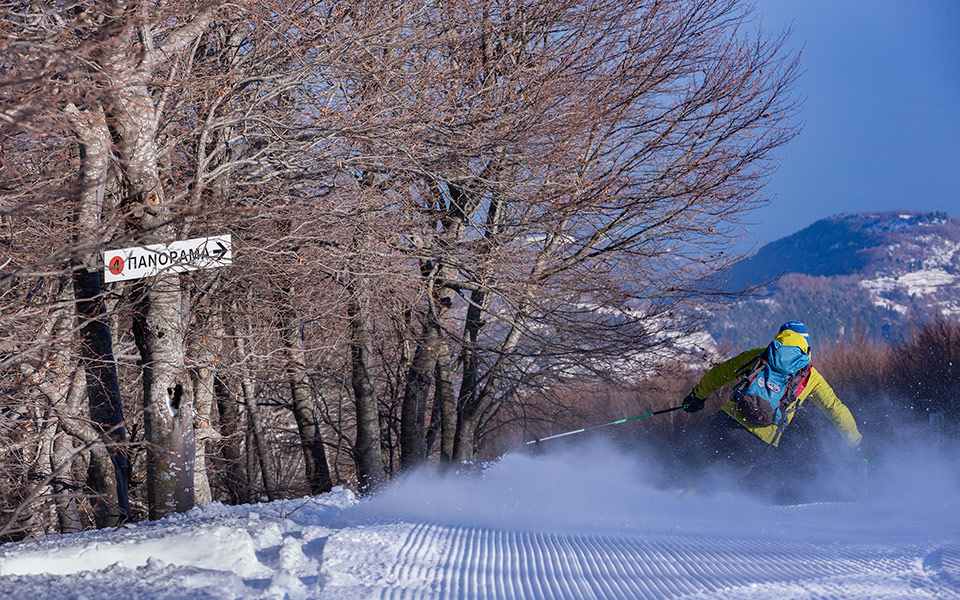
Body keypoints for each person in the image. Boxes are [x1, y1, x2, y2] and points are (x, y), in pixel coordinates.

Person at [680, 320, 862, 489]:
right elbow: (835, 408)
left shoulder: (761, 354)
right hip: (759, 439)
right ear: (806, 345)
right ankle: (693, 500)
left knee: (692, 465)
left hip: (728, 421)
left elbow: (721, 373)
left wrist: (697, 397)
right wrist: (854, 442)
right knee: (719, 482)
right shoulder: (811, 377)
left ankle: (672, 495)